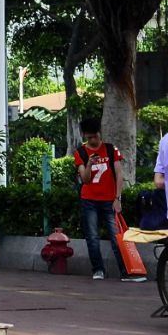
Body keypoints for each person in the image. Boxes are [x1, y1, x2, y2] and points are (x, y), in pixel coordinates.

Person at [72, 117, 145, 281]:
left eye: (95, 136)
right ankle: (98, 269)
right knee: (92, 236)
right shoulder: (81, 153)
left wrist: (117, 198)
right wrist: (89, 164)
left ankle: (125, 272)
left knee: (117, 236)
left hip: (109, 200)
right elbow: (85, 179)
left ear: (100, 133)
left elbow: (119, 174)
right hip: (89, 200)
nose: (92, 140)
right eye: (89, 137)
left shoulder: (111, 150)